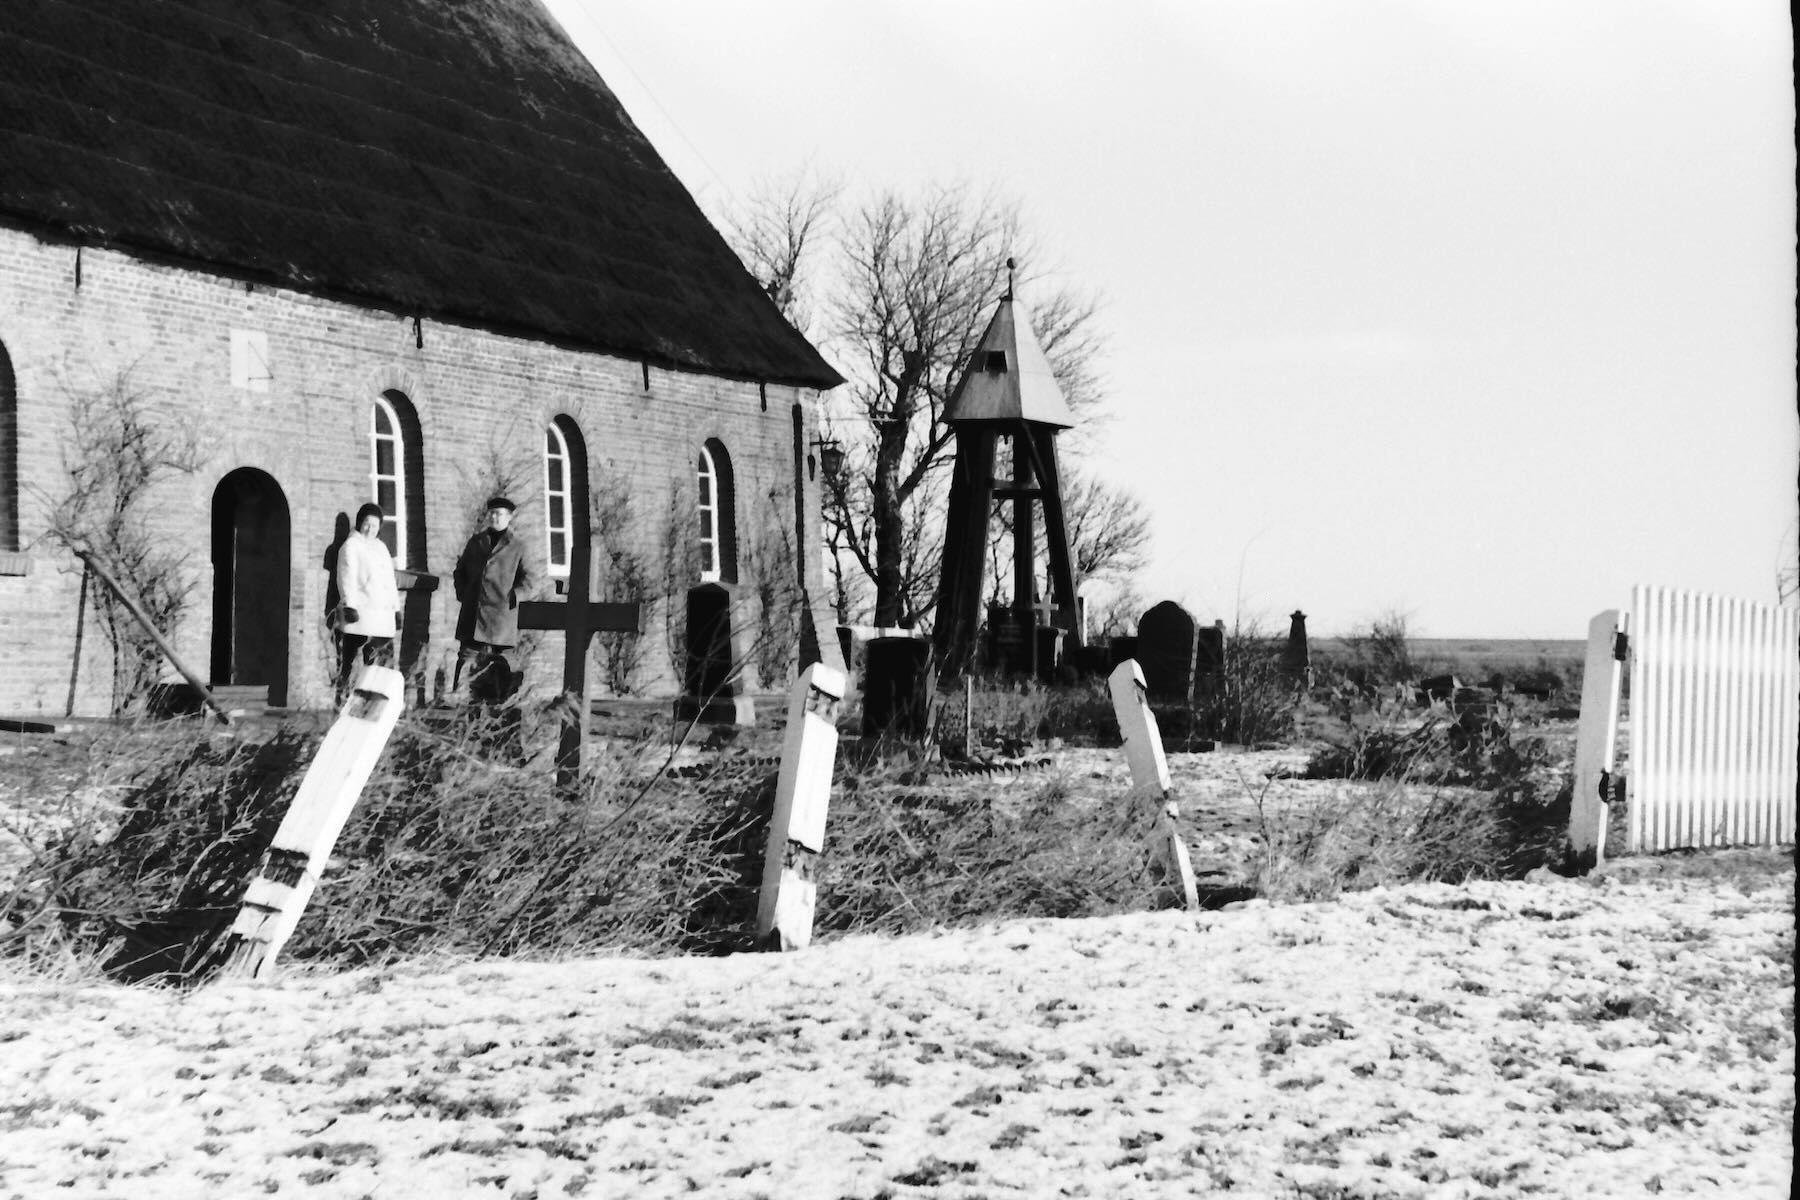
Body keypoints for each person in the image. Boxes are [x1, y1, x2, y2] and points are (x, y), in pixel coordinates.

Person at [452, 496, 532, 702]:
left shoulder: (518, 546)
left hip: (501, 615)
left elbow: (530, 578)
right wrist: (464, 593)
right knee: (467, 657)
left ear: (509, 517)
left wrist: (514, 597)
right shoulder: (476, 542)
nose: (495, 517)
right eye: (492, 513)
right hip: (474, 612)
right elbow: (460, 571)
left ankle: (506, 700)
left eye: (500, 514)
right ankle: (462, 697)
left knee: (504, 660)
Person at [336, 502, 401, 702]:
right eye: (366, 524)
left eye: (374, 525)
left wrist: (396, 608)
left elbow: (390, 581)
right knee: (349, 658)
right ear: (359, 523)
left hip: (381, 615)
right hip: (361, 613)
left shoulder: (381, 547)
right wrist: (349, 605)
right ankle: (343, 696)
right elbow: (347, 576)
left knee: (375, 658)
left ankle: (368, 696)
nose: (370, 529)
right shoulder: (351, 546)